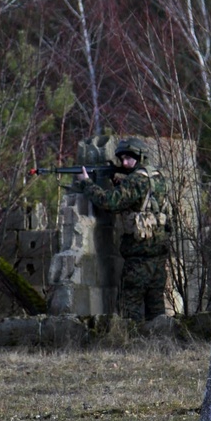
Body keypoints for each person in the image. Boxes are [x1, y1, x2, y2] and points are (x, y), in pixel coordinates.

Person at [78, 138, 171, 321]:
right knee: (156, 311)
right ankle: (162, 344)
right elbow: (142, 202)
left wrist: (86, 183)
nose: (125, 163)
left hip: (138, 258)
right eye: (123, 159)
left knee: (129, 310)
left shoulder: (135, 180)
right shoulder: (159, 177)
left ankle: (131, 346)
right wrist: (119, 184)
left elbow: (109, 202)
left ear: (140, 157)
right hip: (159, 256)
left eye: (129, 158)